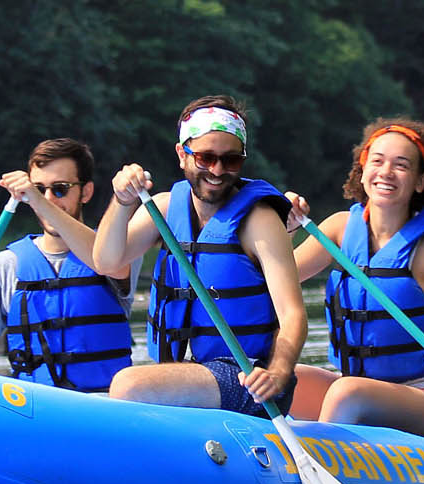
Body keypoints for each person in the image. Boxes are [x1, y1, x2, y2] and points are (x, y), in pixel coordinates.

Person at [90, 95, 306, 418]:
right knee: (127, 385)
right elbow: (107, 262)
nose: (217, 170)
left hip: (250, 380)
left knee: (127, 385)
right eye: (205, 157)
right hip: (195, 371)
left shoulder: (260, 221)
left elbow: (293, 315)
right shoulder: (162, 208)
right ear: (182, 154)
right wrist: (122, 202)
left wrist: (277, 372)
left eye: (230, 160)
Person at [286, 119, 424, 441]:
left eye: (401, 165)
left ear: (420, 182)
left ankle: (319, 476)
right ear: (362, 171)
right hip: (358, 387)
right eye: (377, 161)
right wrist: (286, 231)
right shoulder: (338, 228)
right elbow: (274, 280)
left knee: (346, 392)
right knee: (278, 378)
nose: (386, 172)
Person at [0, 138, 133, 391]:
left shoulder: (120, 252)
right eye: (39, 189)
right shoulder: (5, 265)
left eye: (60, 188)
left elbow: (103, 260)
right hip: (37, 411)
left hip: (102, 408)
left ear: (86, 192)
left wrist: (38, 201)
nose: (48, 199)